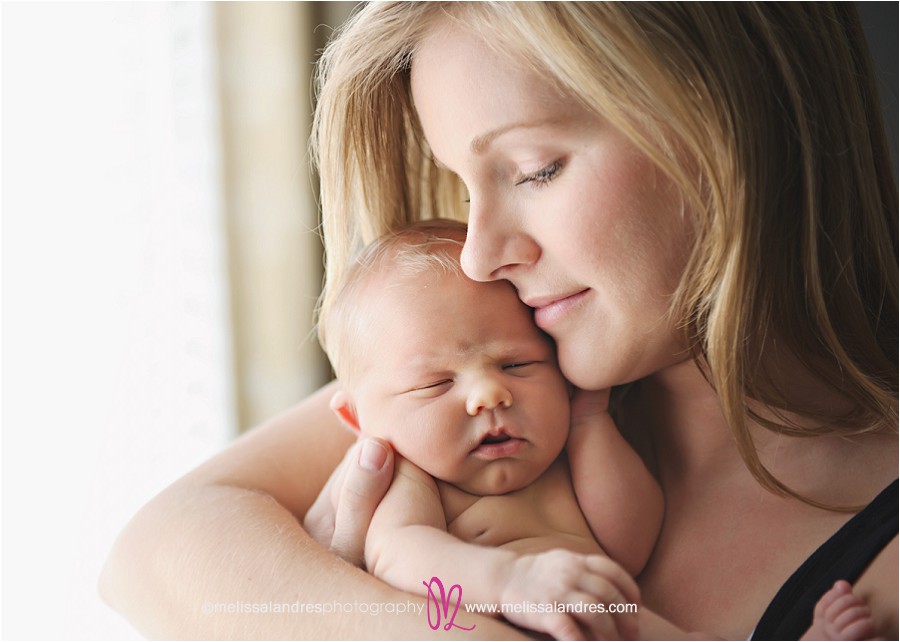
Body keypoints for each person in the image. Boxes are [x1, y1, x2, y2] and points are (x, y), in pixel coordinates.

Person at [100, 3, 898, 640]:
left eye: (533, 169)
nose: (480, 257)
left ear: (737, 119)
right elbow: (153, 553)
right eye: (463, 184)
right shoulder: (505, 372)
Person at [314, 218, 877, 642]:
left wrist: (589, 425)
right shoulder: (413, 475)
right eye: (435, 385)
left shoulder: (554, 451)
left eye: (518, 365)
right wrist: (510, 582)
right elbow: (399, 557)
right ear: (358, 420)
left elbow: (627, 545)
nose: (489, 394)